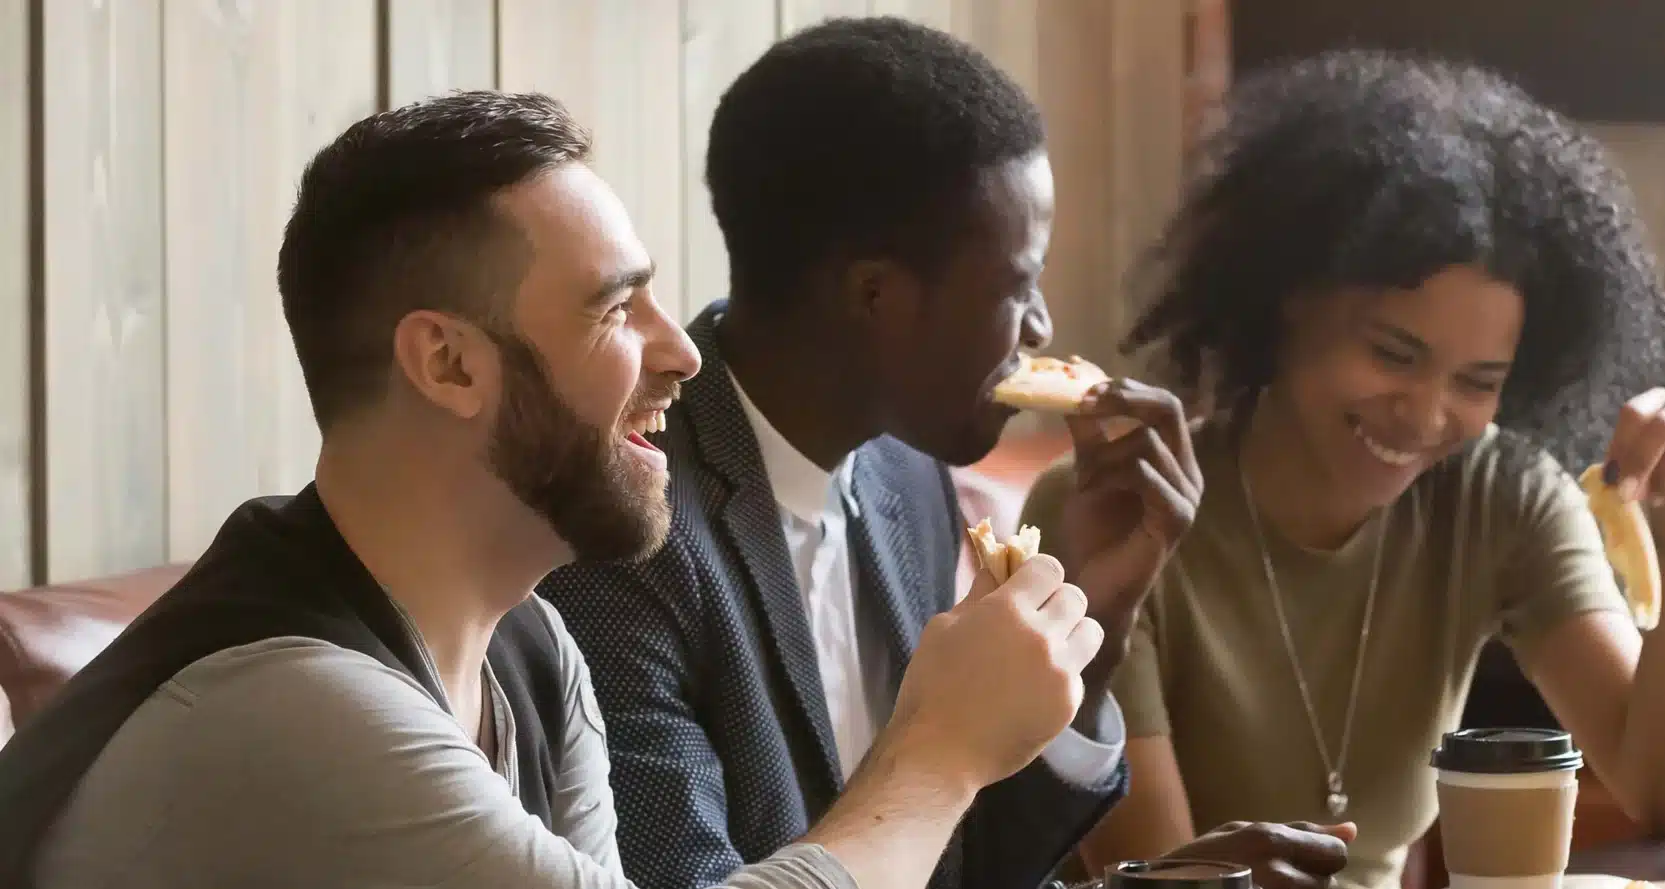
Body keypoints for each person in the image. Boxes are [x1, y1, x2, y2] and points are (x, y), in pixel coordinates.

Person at [0, 91, 1112, 889]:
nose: (679, 351)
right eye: (613, 310)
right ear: (448, 364)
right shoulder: (295, 706)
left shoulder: (532, 647)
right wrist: (938, 748)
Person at [535, 18, 1350, 889]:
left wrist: (1092, 611)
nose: (1040, 328)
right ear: (876, 295)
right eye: (1016, 285)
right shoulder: (627, 531)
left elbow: (957, 862)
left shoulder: (906, 477)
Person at [1023, 51, 1665, 889]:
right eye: (1394, 353)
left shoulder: (1498, 494)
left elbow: (1660, 794)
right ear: (1289, 301)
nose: (1429, 413)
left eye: (1479, 382)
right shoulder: (1118, 508)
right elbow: (1163, 878)